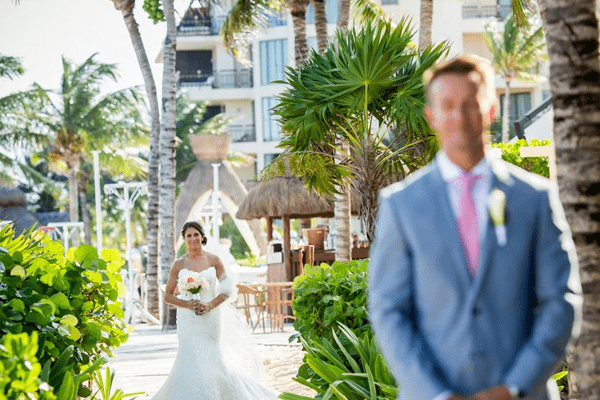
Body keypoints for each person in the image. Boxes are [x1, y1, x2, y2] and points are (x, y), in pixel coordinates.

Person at [368, 54, 582, 400]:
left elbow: (561, 301)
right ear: (431, 116)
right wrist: (436, 393)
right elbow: (388, 311)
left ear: (491, 110)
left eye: (470, 104)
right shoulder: (401, 205)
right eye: (448, 105)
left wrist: (514, 387)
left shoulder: (535, 198)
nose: (459, 116)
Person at [151, 221, 279, 400]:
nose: (193, 238)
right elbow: (168, 296)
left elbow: (228, 291)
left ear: (202, 237)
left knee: (211, 356)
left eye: (196, 234)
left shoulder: (214, 260)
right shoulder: (178, 264)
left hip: (210, 317)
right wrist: (187, 305)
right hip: (187, 318)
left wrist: (209, 305)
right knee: (188, 355)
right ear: (184, 239)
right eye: (189, 235)